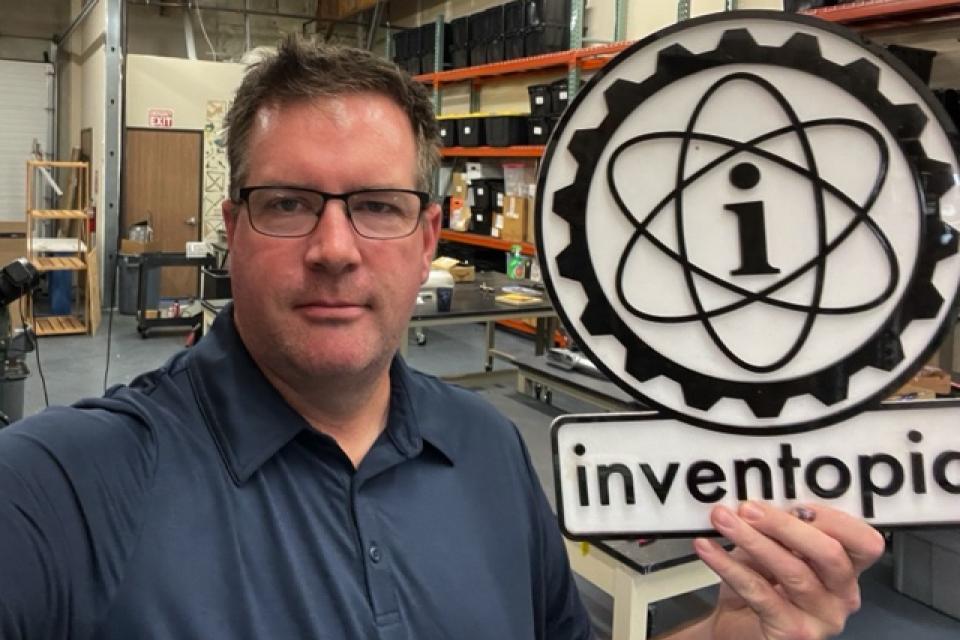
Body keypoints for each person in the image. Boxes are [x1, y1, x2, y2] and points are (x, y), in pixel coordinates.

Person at [0, 37, 883, 639]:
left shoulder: (488, 449)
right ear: (233, 230)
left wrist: (730, 633)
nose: (335, 249)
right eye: (289, 203)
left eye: (379, 206)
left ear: (427, 239)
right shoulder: (66, 484)